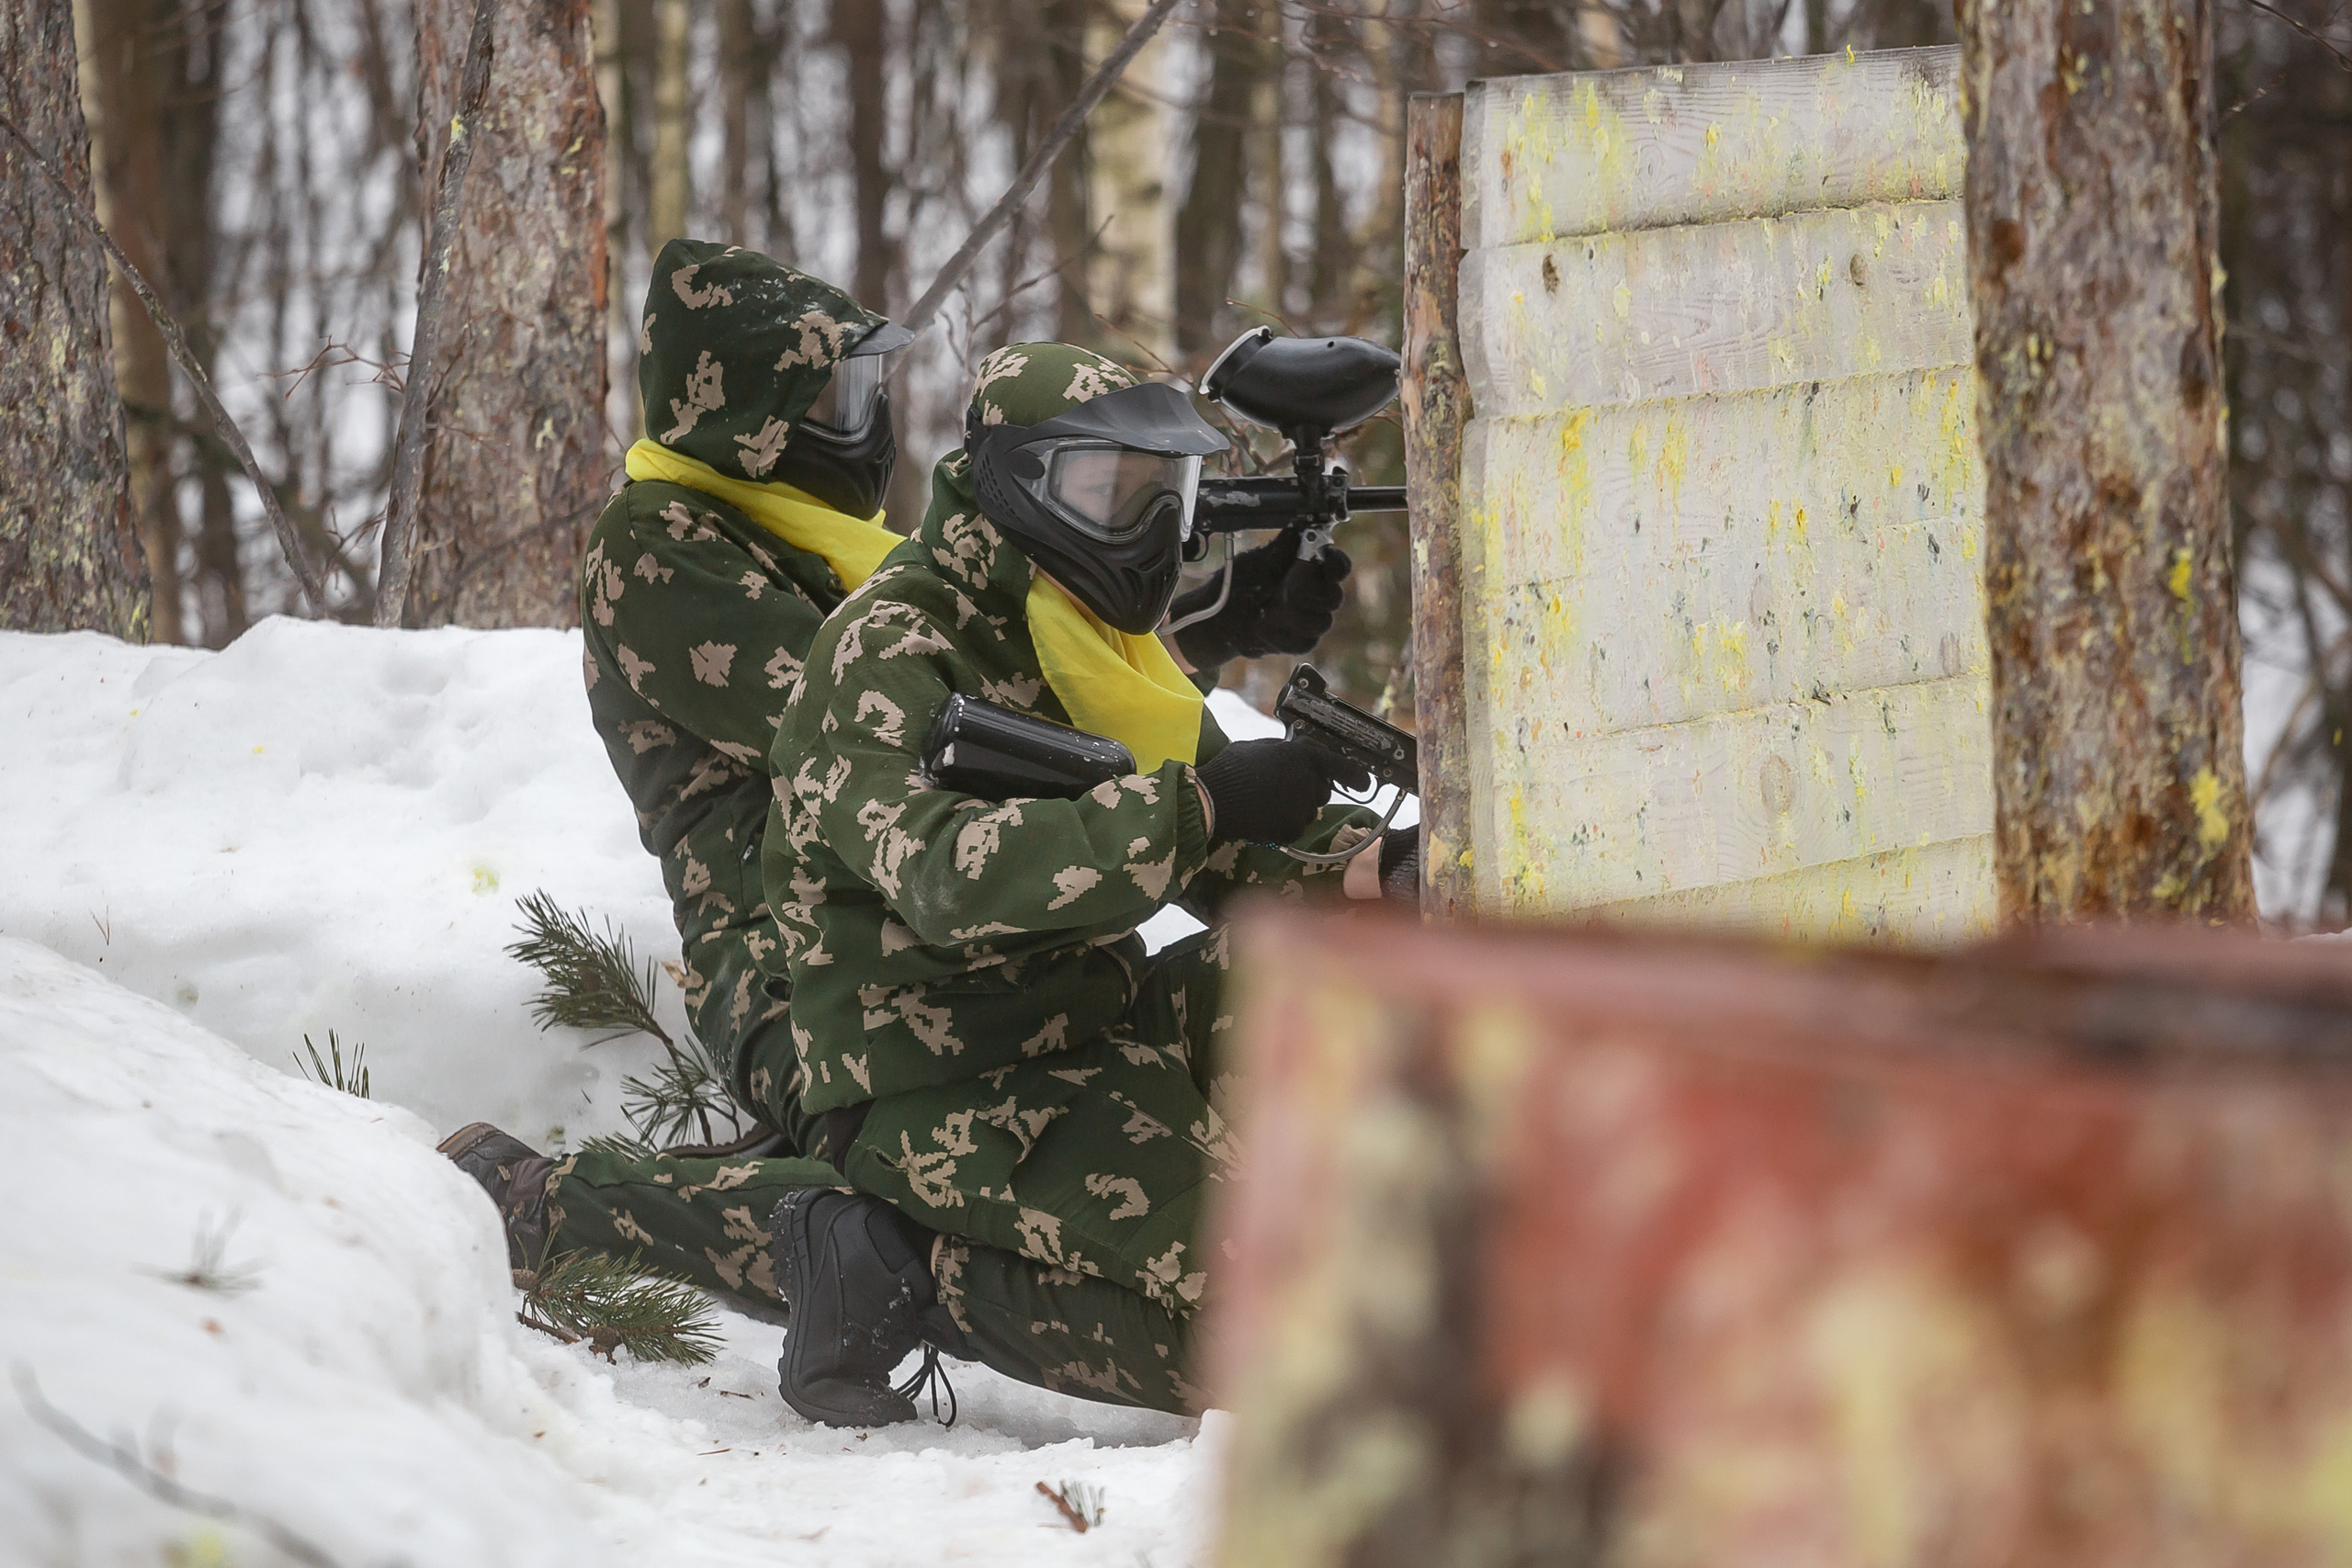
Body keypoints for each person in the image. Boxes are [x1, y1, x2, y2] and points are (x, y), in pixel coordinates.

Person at [436, 250, 1360, 1330]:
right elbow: (925, 736)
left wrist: (1196, 627)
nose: (859, 423)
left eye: (864, 391)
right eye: (829, 395)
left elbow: (1019, 705)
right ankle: (586, 1213)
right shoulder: (657, 548)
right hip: (801, 975)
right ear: (741, 402)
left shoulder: (829, 547)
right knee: (882, 1222)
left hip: (984, 958)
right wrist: (1190, 753)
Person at [760, 343, 1414, 1425]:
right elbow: (944, 876)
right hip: (939, 1080)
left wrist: (1377, 874)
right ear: (1017, 480)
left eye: (1167, 495)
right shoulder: (887, 648)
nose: (1148, 530)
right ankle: (903, 1266)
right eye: (1113, 493)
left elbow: (1231, 848)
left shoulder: (1086, 637)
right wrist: (1199, 804)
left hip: (1096, 1020)